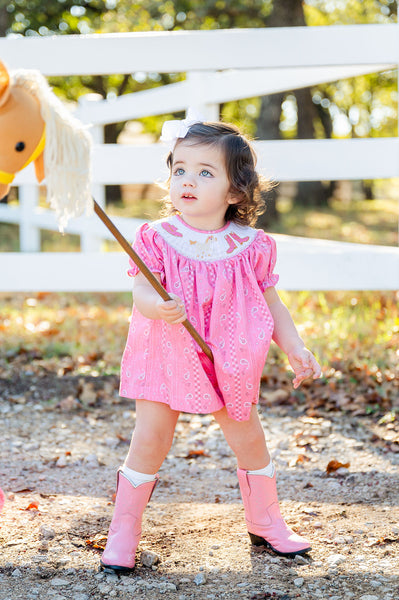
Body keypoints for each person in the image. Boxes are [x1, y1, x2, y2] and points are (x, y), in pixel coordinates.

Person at [101, 113, 322, 573]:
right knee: (151, 438)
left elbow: (271, 303)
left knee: (248, 436)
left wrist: (295, 346)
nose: (188, 180)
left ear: (236, 192)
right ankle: (124, 529)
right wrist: (154, 306)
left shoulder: (250, 244)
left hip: (230, 352)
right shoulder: (157, 238)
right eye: (180, 169)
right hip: (167, 349)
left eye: (205, 172)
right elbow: (142, 288)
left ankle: (265, 520)